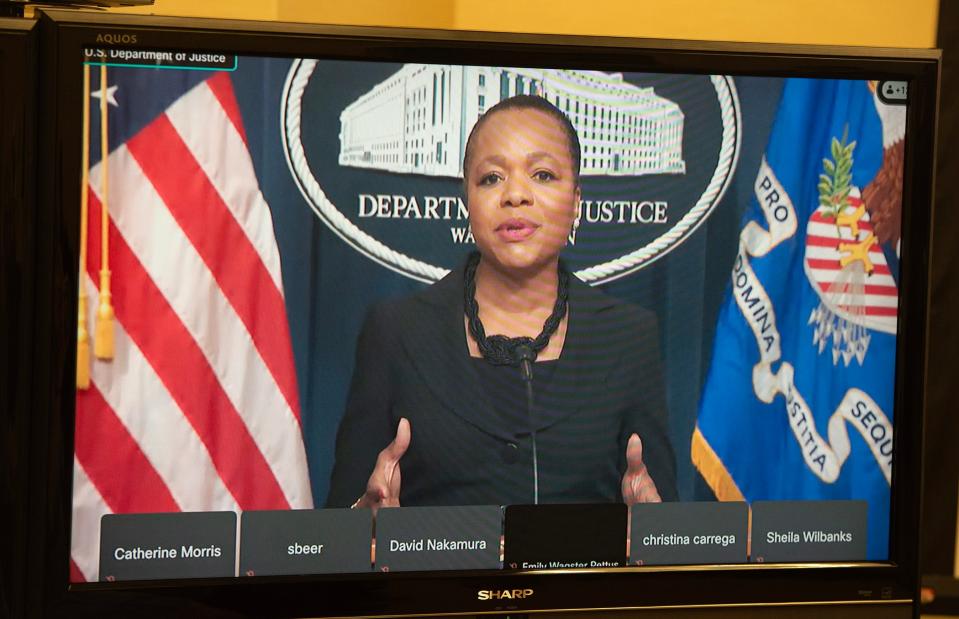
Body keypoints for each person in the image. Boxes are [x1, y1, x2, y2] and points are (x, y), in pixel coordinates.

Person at [326, 95, 676, 511]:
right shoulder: (396, 330)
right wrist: (362, 522)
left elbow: (664, 528)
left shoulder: (627, 336)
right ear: (467, 201)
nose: (516, 195)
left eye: (543, 175)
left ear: (577, 201)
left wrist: (654, 526)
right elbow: (339, 527)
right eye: (492, 178)